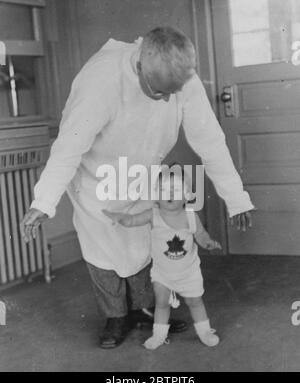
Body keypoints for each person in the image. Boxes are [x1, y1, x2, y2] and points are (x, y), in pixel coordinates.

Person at [20, 27, 254, 349]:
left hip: (144, 173)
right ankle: (115, 317)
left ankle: (143, 310)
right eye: (159, 91)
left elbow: (210, 140)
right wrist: (43, 201)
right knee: (103, 253)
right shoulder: (101, 79)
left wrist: (236, 198)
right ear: (141, 65)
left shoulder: (183, 79)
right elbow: (68, 147)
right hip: (96, 179)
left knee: (147, 244)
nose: (168, 99)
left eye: (173, 91)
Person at [103, 166, 222, 350]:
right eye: (164, 190)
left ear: (187, 195)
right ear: (156, 195)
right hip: (162, 274)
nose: (169, 194)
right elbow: (133, 220)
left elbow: (201, 235)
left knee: (195, 302)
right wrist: (121, 218)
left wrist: (208, 243)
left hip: (188, 272)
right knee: (161, 303)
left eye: (175, 190)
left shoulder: (191, 217)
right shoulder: (153, 215)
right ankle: (158, 335)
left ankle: (205, 331)